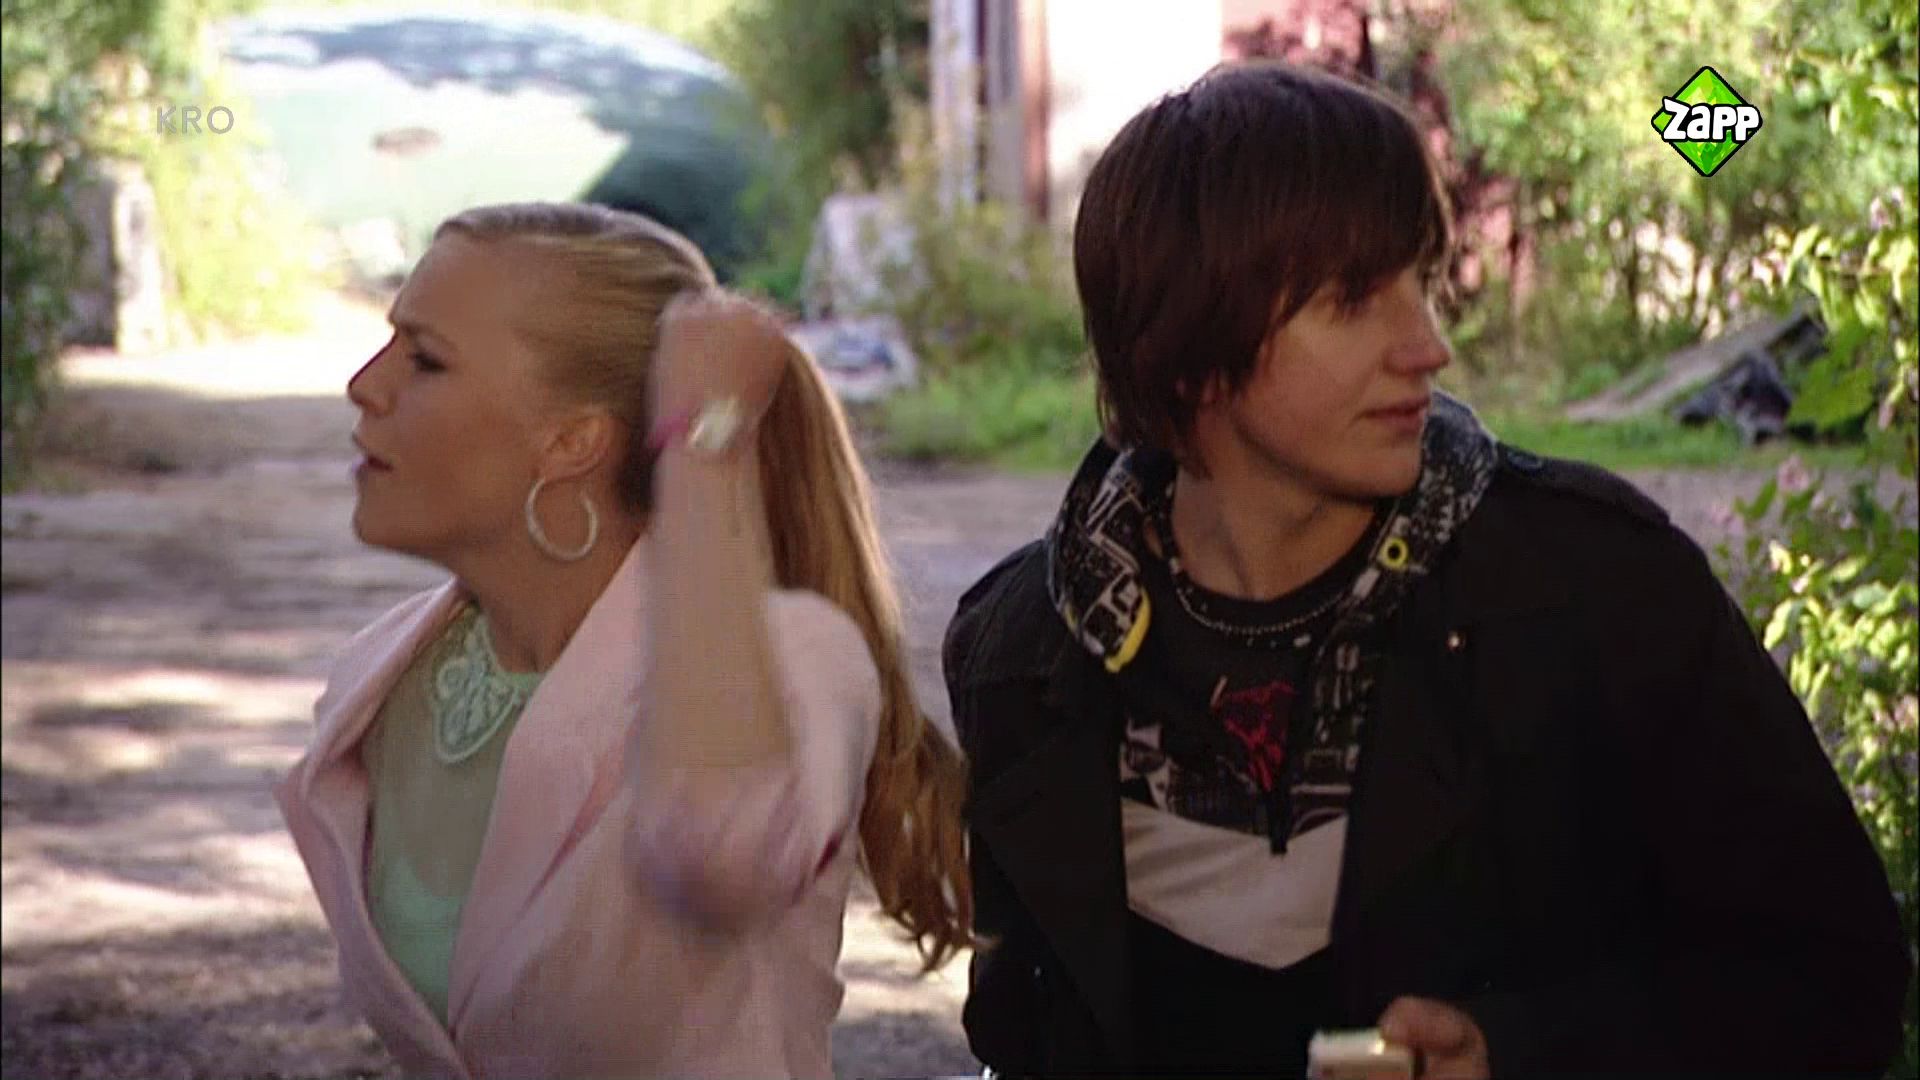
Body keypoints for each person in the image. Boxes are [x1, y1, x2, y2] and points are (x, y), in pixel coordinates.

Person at [942, 61, 1910, 1078]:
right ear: (1185, 350)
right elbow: (1017, 1039)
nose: (1428, 346)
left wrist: (1517, 1054)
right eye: (1354, 299)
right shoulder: (1027, 654)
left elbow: (1834, 981)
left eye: (1422, 282)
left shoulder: (1599, 593)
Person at [275, 201, 969, 1079]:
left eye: (425, 359)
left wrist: (706, 442)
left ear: (571, 442)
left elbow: (720, 845)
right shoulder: (388, 682)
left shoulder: (789, 661)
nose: (364, 385)